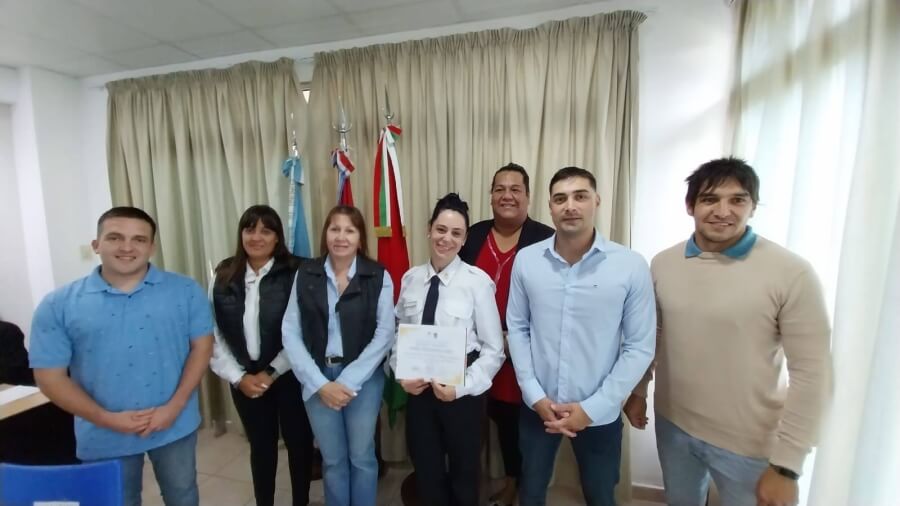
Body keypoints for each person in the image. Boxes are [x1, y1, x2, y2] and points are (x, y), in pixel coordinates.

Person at [623, 158, 832, 506]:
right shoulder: (664, 263)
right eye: (710, 199)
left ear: (752, 206)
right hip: (674, 425)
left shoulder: (791, 272)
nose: (723, 211)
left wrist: (787, 467)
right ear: (690, 206)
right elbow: (654, 334)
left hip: (748, 444)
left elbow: (813, 375)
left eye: (737, 200)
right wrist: (640, 389)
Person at [29, 206, 213, 506]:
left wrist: (174, 406)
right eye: (115, 237)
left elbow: (202, 347)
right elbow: (49, 377)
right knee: (116, 500)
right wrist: (106, 419)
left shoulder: (186, 291)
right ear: (96, 244)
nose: (127, 247)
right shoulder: (58, 305)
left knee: (183, 495)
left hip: (173, 422)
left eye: (139, 240)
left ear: (151, 247)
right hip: (101, 431)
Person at [507, 166, 656, 506]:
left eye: (580, 196)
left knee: (601, 494)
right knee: (530, 490)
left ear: (597, 202)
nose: (570, 206)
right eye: (560, 198)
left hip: (599, 410)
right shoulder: (527, 261)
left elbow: (639, 346)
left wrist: (592, 409)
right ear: (550, 206)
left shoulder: (630, 265)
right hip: (537, 406)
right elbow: (517, 327)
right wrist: (534, 395)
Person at [392, 192, 505, 506]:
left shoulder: (477, 283)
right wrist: (402, 374)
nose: (447, 238)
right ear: (429, 229)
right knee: (426, 472)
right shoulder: (411, 279)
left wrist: (462, 387)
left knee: (464, 475)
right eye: (441, 229)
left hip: (461, 395)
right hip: (419, 393)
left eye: (456, 233)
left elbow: (494, 350)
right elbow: (398, 335)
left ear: (465, 237)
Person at [281, 205, 395, 506]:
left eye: (349, 230)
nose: (341, 237)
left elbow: (384, 335)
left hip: (363, 380)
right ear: (325, 234)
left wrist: (347, 380)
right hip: (317, 378)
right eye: (334, 229)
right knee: (332, 460)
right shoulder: (306, 273)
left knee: (361, 457)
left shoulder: (378, 275)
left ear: (360, 237)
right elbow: (290, 331)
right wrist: (320, 384)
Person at [458, 163, 554, 506]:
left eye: (515, 189)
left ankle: (520, 485)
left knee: (518, 426)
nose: (507, 195)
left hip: (522, 353)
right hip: (475, 352)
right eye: (500, 189)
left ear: (528, 196)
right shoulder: (472, 235)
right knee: (489, 421)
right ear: (491, 196)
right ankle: (484, 485)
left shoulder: (546, 239)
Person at [209, 205, 313, 506]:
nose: (256, 237)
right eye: (249, 229)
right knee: (261, 446)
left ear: (277, 238)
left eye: (266, 230)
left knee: (299, 443)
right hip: (243, 378)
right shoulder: (223, 274)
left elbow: (305, 331)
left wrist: (273, 372)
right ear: (241, 234)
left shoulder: (297, 271)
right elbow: (213, 334)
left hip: (289, 374)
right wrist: (239, 377)